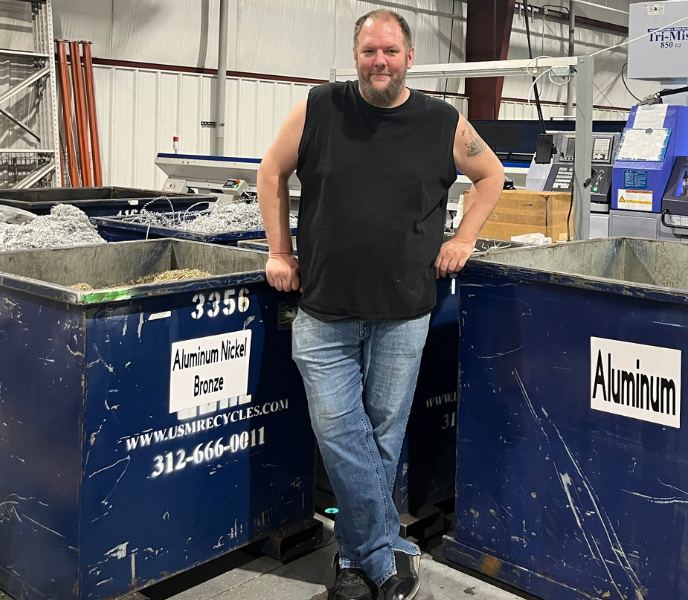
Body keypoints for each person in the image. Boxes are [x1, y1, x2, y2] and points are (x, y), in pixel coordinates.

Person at [257, 9, 504, 600]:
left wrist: (464, 237)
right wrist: (279, 252)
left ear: (409, 57)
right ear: (357, 55)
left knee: (384, 436)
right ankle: (388, 550)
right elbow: (270, 172)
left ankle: (352, 561)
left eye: (390, 52)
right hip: (323, 308)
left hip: (404, 313)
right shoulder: (320, 107)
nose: (379, 62)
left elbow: (491, 176)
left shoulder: (443, 121)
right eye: (369, 51)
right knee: (341, 432)